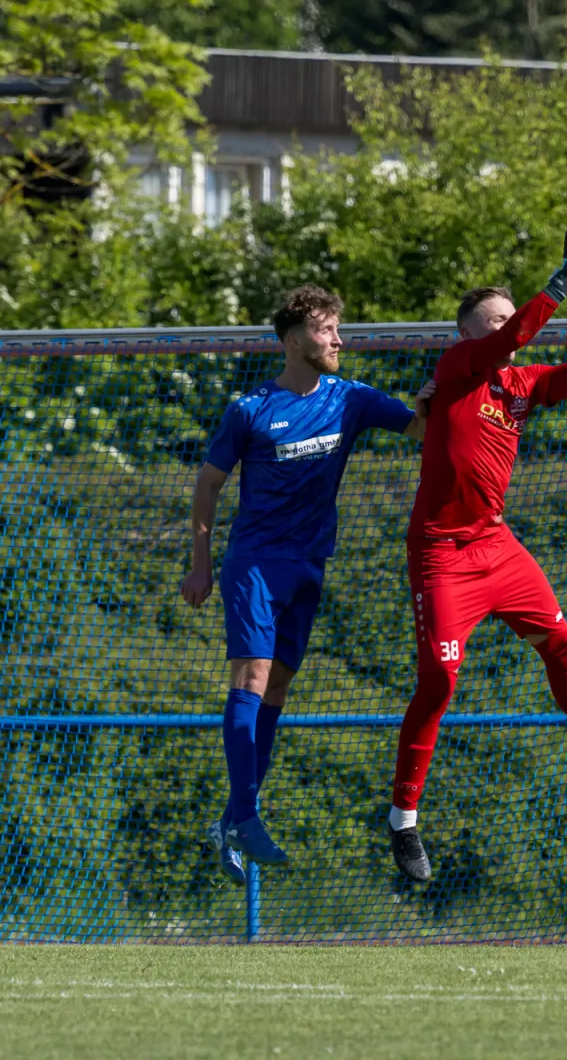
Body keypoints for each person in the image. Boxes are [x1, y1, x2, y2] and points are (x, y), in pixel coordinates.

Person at [387, 220, 567, 882]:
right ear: (466, 335)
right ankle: (402, 819)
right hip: (442, 554)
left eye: (508, 316)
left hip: (496, 544)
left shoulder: (519, 385)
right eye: (492, 319)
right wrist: (563, 278)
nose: (507, 326)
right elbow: (512, 337)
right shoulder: (456, 369)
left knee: (561, 643)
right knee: (439, 681)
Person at [182, 286, 430, 883]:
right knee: (251, 678)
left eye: (339, 328)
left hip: (310, 565)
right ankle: (246, 817)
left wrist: (440, 393)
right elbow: (209, 484)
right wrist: (200, 563)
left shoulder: (352, 398)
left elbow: (420, 431)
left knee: (276, 692)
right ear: (294, 342)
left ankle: (231, 821)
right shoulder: (250, 410)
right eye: (327, 330)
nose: (339, 340)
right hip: (255, 563)